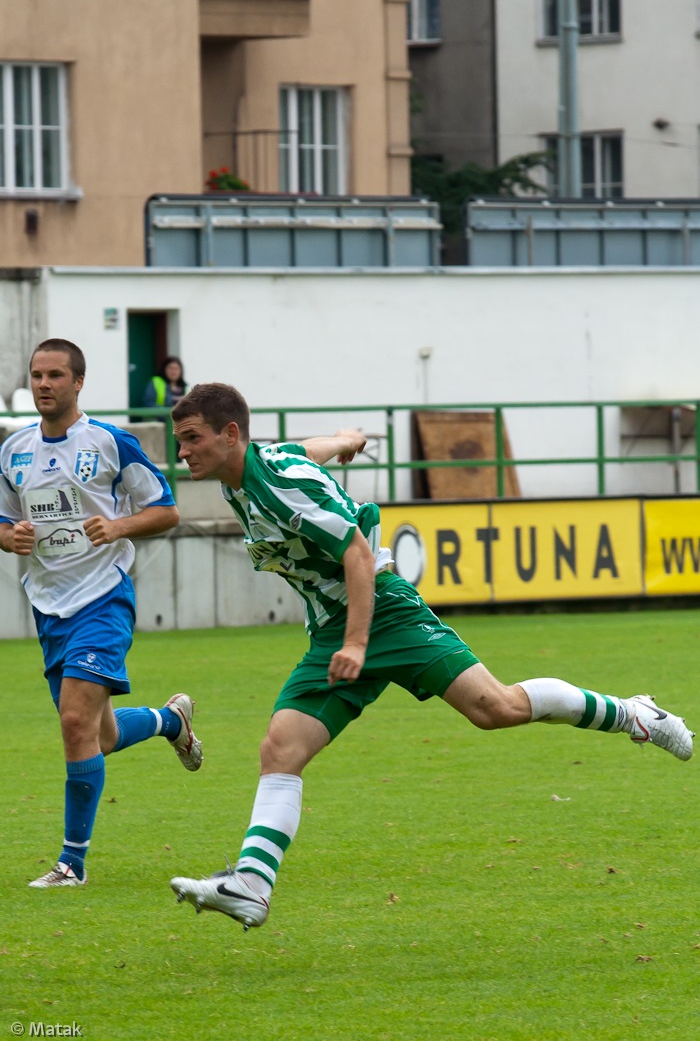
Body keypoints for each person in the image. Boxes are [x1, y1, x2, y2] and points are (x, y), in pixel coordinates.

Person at [168, 383, 694, 932]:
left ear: (231, 435)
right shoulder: (246, 473)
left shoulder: (277, 486)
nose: (184, 452)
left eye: (192, 438)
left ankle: (634, 715)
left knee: (498, 708)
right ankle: (252, 884)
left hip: (384, 614)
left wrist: (355, 642)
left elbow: (356, 552)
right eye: (181, 440)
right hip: (336, 628)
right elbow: (308, 449)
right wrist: (346, 438)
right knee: (281, 748)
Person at [0, 338, 203, 889]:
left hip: (102, 598)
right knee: (100, 735)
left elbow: (166, 510)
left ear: (78, 383)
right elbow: (3, 521)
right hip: (47, 605)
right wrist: (8, 536)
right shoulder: (13, 449)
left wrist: (116, 526)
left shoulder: (111, 443)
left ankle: (72, 864)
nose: (44, 384)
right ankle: (170, 720)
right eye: (37, 375)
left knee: (73, 722)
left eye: (56, 375)